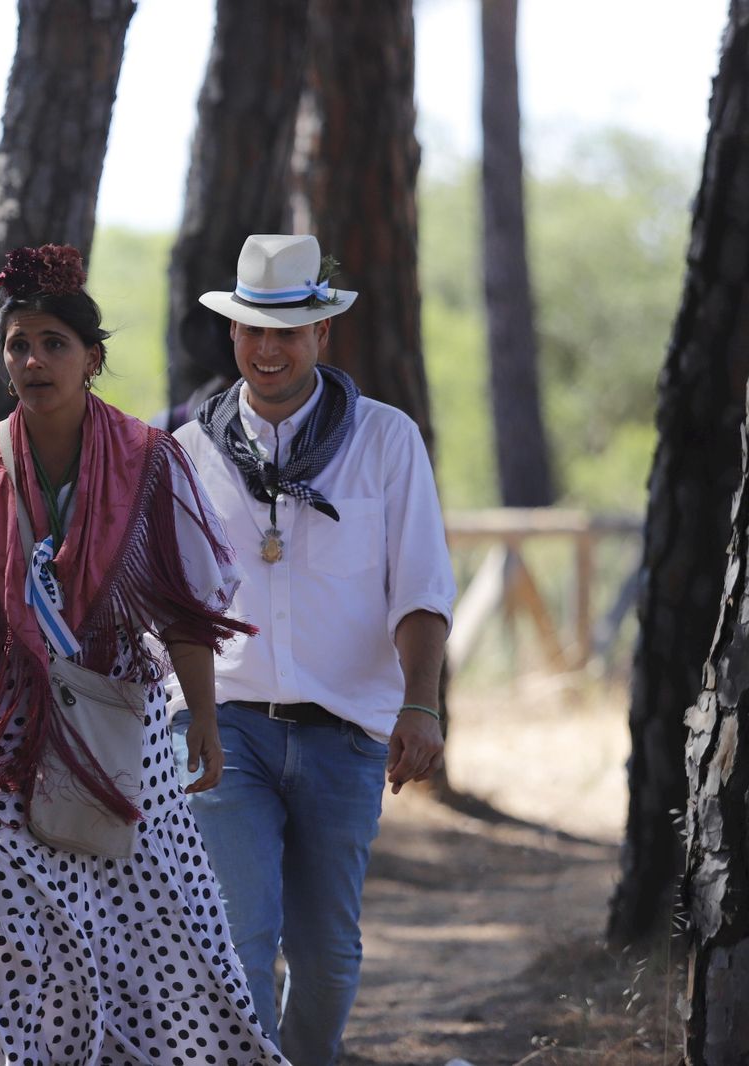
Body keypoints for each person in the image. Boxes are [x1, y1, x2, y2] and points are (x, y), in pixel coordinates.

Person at [0, 245, 286, 1065]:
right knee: (2, 931)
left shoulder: (149, 461)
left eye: (54, 343)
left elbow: (185, 607)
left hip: (117, 725)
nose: (33, 360)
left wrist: (201, 717)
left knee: (166, 937)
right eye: (19, 343)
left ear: (92, 358)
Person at [170, 233, 455, 1065]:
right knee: (240, 946)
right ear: (232, 335)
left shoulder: (386, 440)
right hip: (228, 731)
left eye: (286, 332)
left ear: (321, 335)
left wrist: (422, 701)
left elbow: (422, 587)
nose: (268, 348)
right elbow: (176, 605)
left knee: (328, 960)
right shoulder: (190, 453)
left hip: (344, 731)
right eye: (253, 329)